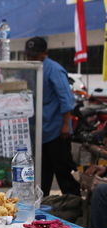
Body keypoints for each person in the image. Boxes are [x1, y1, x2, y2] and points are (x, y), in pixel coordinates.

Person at [25, 37, 80, 197]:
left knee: (63, 172)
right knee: (42, 174)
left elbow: (66, 99)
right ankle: (43, 205)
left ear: (44, 53)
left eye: (34, 55)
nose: (31, 59)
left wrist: (65, 125)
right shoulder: (32, 69)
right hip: (41, 132)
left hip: (57, 131)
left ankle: (74, 205)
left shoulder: (54, 69)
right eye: (29, 55)